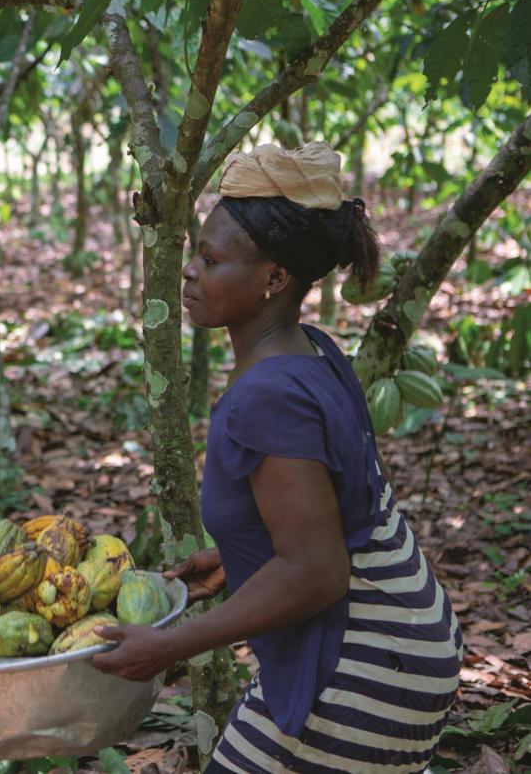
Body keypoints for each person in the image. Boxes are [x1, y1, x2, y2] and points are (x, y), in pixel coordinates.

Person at [90, 143, 462, 773]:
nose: (189, 273)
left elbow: (318, 571)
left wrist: (168, 646)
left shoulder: (265, 395)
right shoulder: (312, 351)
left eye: (210, 261)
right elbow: (333, 506)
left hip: (367, 660)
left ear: (274, 278)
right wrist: (241, 558)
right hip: (409, 631)